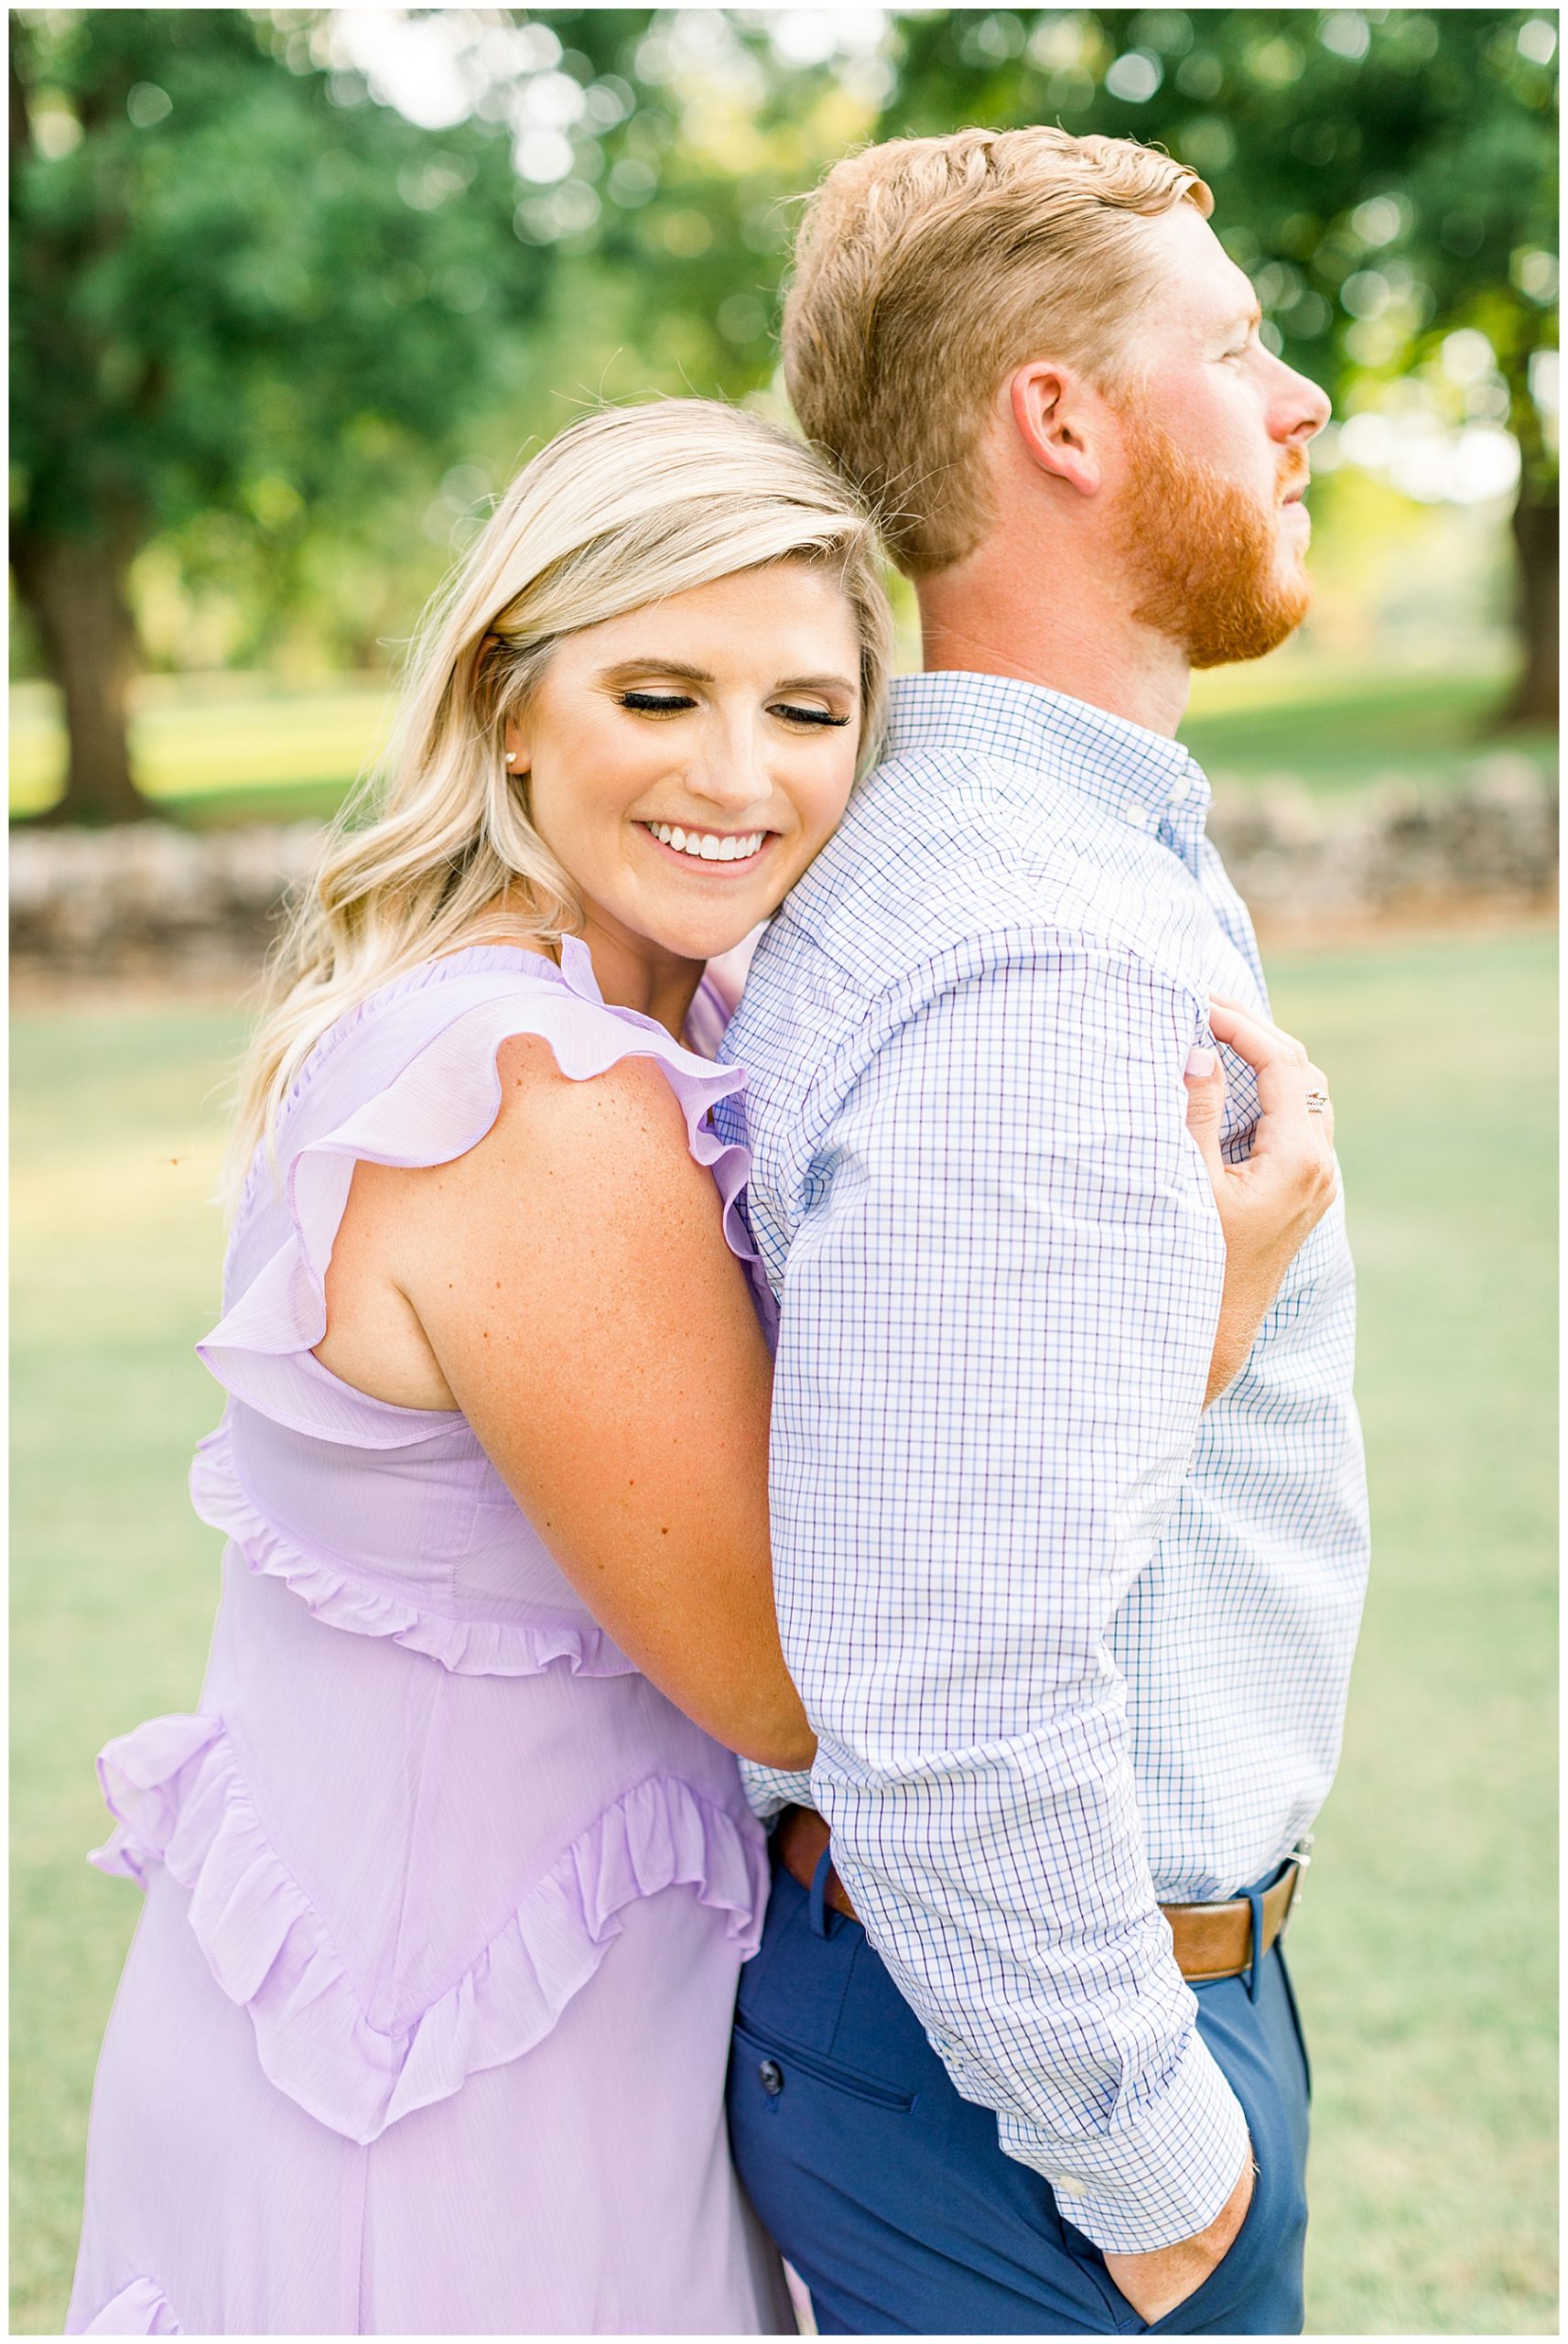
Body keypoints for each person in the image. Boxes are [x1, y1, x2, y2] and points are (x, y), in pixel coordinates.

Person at [69, 397, 1333, 2338]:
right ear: (506, 702)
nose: (736, 775)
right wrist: (1199, 1326)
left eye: (807, 712)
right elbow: (788, 1664)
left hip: (542, 1986)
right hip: (446, 2058)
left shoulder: (644, 1012)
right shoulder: (535, 1104)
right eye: (657, 695)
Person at [723, 128, 1370, 2337]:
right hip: (1036, 2080)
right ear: (1059, 417)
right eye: (1236, 347)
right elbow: (948, 1673)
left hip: (1004, 2027)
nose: (1297, 403)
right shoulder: (1035, 956)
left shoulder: (1032, 856)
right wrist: (1146, 2150)